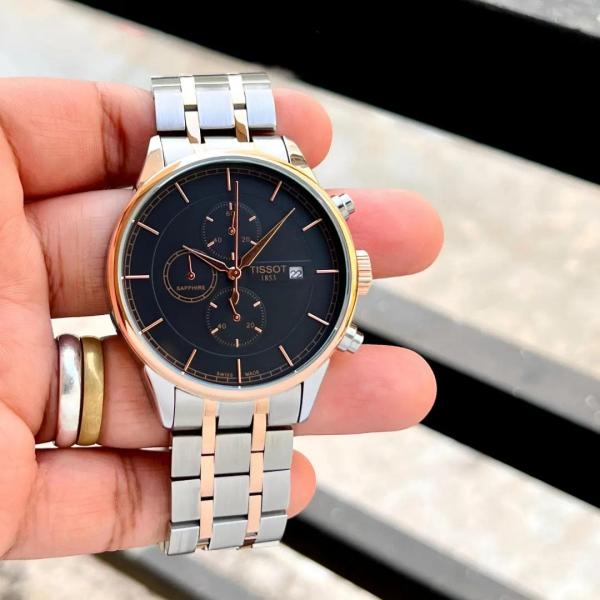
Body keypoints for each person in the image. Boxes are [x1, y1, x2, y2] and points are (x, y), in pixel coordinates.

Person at [0, 78, 443, 558]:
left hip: (234, 359)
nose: (234, 272)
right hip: (187, 361)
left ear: (356, 271)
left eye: (238, 269)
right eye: (231, 269)